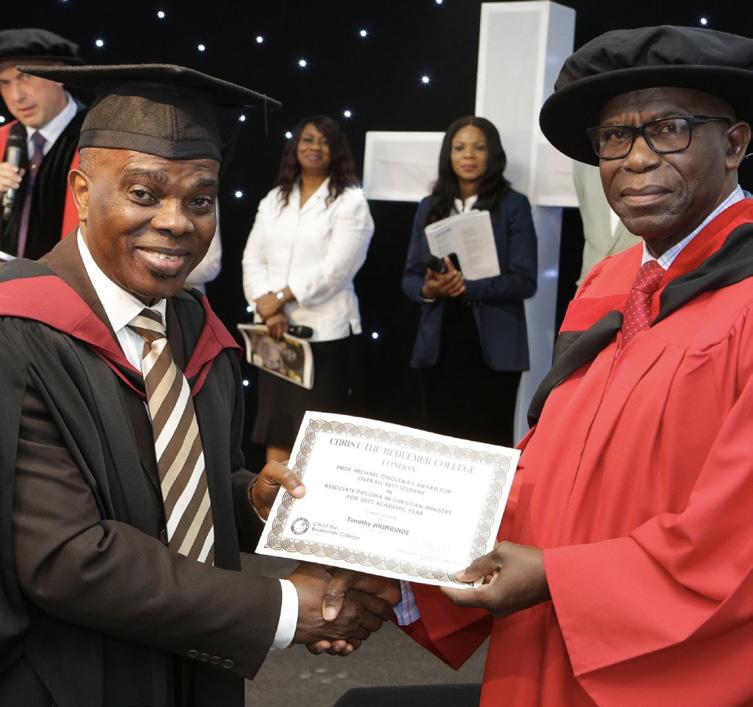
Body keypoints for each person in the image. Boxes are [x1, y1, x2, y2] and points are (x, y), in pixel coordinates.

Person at [322, 25, 753, 706]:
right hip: (542, 651)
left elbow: (736, 542)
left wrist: (558, 577)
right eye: (614, 137)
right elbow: (546, 472)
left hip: (658, 672)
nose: (637, 158)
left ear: (733, 144)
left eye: (668, 129)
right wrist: (406, 572)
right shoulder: (609, 284)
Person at [0, 63, 397, 707]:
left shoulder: (191, 323)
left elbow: (177, 486)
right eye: (144, 193)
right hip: (72, 676)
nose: (177, 222)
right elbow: (66, 556)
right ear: (81, 191)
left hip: (196, 666)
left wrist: (252, 500)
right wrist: (286, 608)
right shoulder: (19, 331)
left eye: (200, 200)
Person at [242, 115, 374, 462]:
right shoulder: (275, 198)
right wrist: (266, 307)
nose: (315, 147)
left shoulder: (350, 202)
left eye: (324, 141)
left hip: (324, 335)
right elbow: (253, 257)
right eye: (308, 139)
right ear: (295, 146)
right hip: (274, 333)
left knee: (317, 439)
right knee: (276, 428)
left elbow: (336, 268)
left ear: (336, 150)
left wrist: (281, 298)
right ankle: (272, 499)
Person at [402, 116, 537, 446]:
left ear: (493, 155)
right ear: (448, 154)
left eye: (479, 147)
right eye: (460, 147)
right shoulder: (430, 206)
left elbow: (525, 281)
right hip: (439, 344)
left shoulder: (513, 205)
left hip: (494, 347)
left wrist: (467, 287)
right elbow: (410, 277)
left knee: (488, 442)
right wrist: (428, 289)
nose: (469, 155)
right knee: (436, 444)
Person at [0, 28, 85, 260]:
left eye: (25, 77)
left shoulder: (97, 140)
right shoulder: (2, 138)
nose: (16, 96)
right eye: (4, 83)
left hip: (70, 279)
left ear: (59, 74)